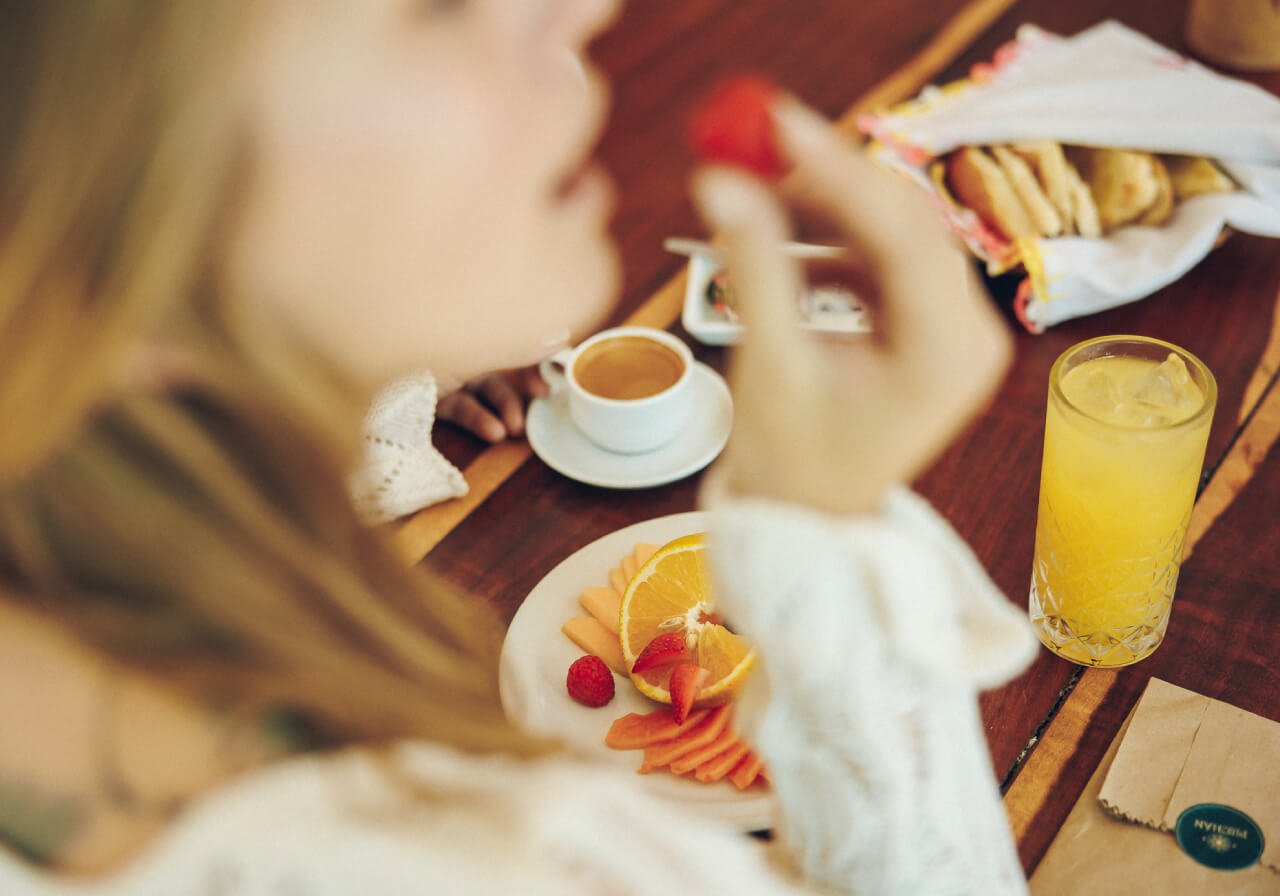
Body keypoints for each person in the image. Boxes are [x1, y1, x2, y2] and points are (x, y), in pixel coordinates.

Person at [0, 1, 1036, 893]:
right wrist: (831, 532)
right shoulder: (452, 861)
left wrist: (369, 369)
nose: (586, 9)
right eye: (433, 4)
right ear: (96, 253)